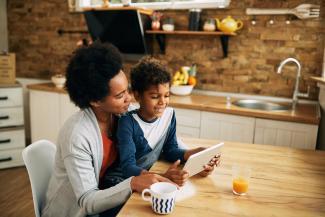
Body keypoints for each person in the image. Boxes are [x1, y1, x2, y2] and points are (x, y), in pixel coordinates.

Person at [41, 42, 172, 217]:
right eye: (120, 96)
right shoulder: (77, 136)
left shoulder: (121, 115)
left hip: (107, 203)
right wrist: (133, 183)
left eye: (128, 90)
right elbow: (87, 201)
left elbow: (155, 134)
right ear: (95, 100)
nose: (129, 99)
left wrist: (191, 157)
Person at [115, 57, 220, 187]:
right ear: (137, 96)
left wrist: (195, 153)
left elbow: (170, 150)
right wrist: (163, 177)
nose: (162, 102)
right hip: (125, 183)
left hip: (150, 179)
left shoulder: (169, 115)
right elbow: (127, 167)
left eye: (166, 95)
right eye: (154, 96)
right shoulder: (127, 123)